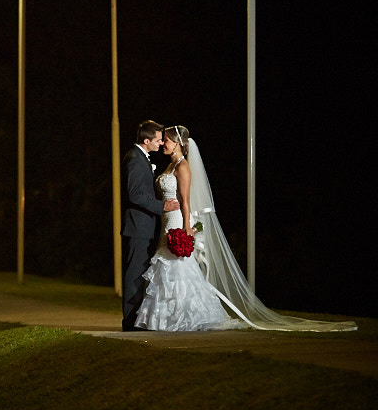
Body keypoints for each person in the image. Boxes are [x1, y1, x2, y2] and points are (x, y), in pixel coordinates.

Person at [134, 125, 357, 333]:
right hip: (166, 220)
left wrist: (186, 228)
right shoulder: (170, 165)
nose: (163, 144)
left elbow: (185, 201)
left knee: (178, 267)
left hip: (177, 220)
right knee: (168, 266)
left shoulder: (183, 167)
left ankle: (185, 316)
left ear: (177, 143)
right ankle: (167, 317)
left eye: (166, 140)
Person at [120, 120, 180, 331]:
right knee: (135, 275)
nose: (161, 143)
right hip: (137, 227)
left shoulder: (141, 157)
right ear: (146, 141)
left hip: (144, 226)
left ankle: (136, 320)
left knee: (139, 274)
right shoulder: (134, 159)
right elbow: (136, 195)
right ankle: (130, 323)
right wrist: (162, 206)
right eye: (158, 140)